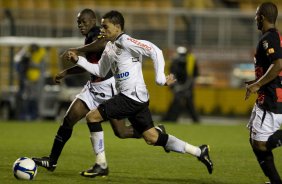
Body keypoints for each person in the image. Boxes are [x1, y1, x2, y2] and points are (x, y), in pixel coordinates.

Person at [66, 10, 213, 174]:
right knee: (152, 137)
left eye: (105, 27)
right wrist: (79, 60)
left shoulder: (127, 41)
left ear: (117, 26)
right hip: (136, 99)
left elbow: (155, 51)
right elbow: (100, 71)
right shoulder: (109, 47)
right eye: (101, 27)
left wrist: (160, 79)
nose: (102, 30)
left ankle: (101, 165)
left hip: (131, 97)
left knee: (92, 117)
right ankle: (199, 151)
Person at [32, 9, 149, 178]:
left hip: (108, 89)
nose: (81, 25)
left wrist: (77, 50)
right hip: (92, 88)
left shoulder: (100, 33)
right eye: (78, 22)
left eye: (84, 22)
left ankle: (150, 131)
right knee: (68, 119)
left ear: (93, 20)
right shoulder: (89, 38)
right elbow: (88, 64)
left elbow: (102, 45)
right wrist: (66, 72)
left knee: (121, 132)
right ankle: (52, 161)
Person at [245, 2, 282, 184]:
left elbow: (278, 65)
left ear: (261, 17)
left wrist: (258, 84)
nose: (254, 19)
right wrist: (256, 82)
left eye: (256, 15)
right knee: (255, 141)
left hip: (271, 98)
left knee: (260, 143)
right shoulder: (272, 37)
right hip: (267, 95)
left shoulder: (269, 38)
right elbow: (273, 68)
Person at [162, 46, 200, 123]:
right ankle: (171, 119)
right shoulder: (175, 62)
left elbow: (193, 75)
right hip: (178, 86)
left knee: (188, 103)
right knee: (177, 102)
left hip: (187, 86)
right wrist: (175, 86)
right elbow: (172, 75)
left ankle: (195, 120)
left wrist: (185, 86)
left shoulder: (191, 61)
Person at [14, 43, 46, 120]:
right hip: (27, 81)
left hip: (37, 81)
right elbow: (18, 64)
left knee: (35, 99)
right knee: (26, 98)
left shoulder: (40, 55)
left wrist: (30, 62)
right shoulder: (25, 55)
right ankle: (26, 115)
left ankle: (35, 115)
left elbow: (41, 67)